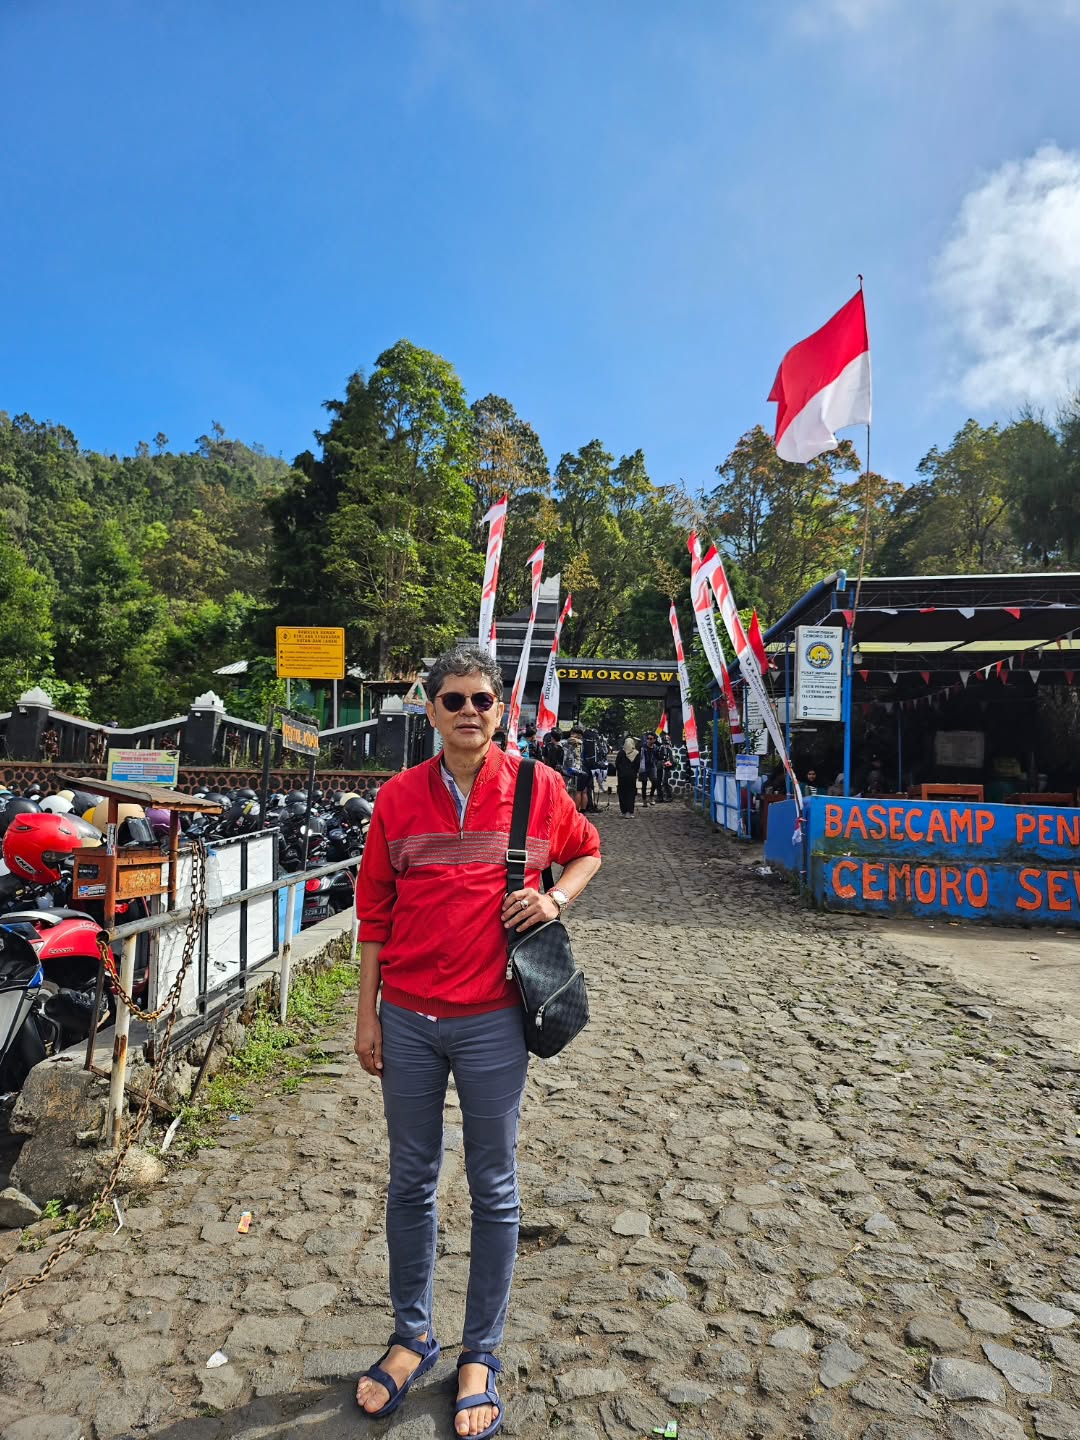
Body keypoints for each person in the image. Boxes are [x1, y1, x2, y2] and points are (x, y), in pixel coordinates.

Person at [353, 645, 601, 1437]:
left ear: (503, 710)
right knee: (411, 1180)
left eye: (483, 700)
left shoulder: (537, 789)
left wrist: (556, 897)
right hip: (410, 1019)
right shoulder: (397, 799)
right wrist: (366, 1016)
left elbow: (590, 849)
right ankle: (411, 1334)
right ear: (430, 710)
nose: (468, 712)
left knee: (495, 1185)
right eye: (453, 699)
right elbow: (373, 917)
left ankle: (480, 1351)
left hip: (495, 1018)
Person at [615, 735, 639, 817]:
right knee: (631, 794)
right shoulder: (636, 753)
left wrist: (620, 771)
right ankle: (629, 811)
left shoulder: (621, 753)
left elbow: (617, 764)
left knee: (622, 793)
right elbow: (637, 766)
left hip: (622, 777)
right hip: (632, 777)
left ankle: (624, 811)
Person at [640, 732, 659, 806]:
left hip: (652, 767)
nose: (648, 740)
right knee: (644, 784)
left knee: (654, 782)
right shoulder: (643, 747)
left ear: (654, 740)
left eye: (650, 739)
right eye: (647, 738)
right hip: (644, 767)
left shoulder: (656, 748)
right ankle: (644, 800)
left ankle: (651, 797)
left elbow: (658, 757)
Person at [655, 733, 675, 802]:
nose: (665, 743)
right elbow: (656, 756)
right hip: (660, 766)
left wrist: (668, 762)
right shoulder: (659, 748)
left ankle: (669, 796)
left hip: (667, 767)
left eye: (666, 741)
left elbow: (672, 759)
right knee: (658, 781)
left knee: (665, 782)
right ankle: (659, 797)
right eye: (664, 741)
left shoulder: (670, 749)